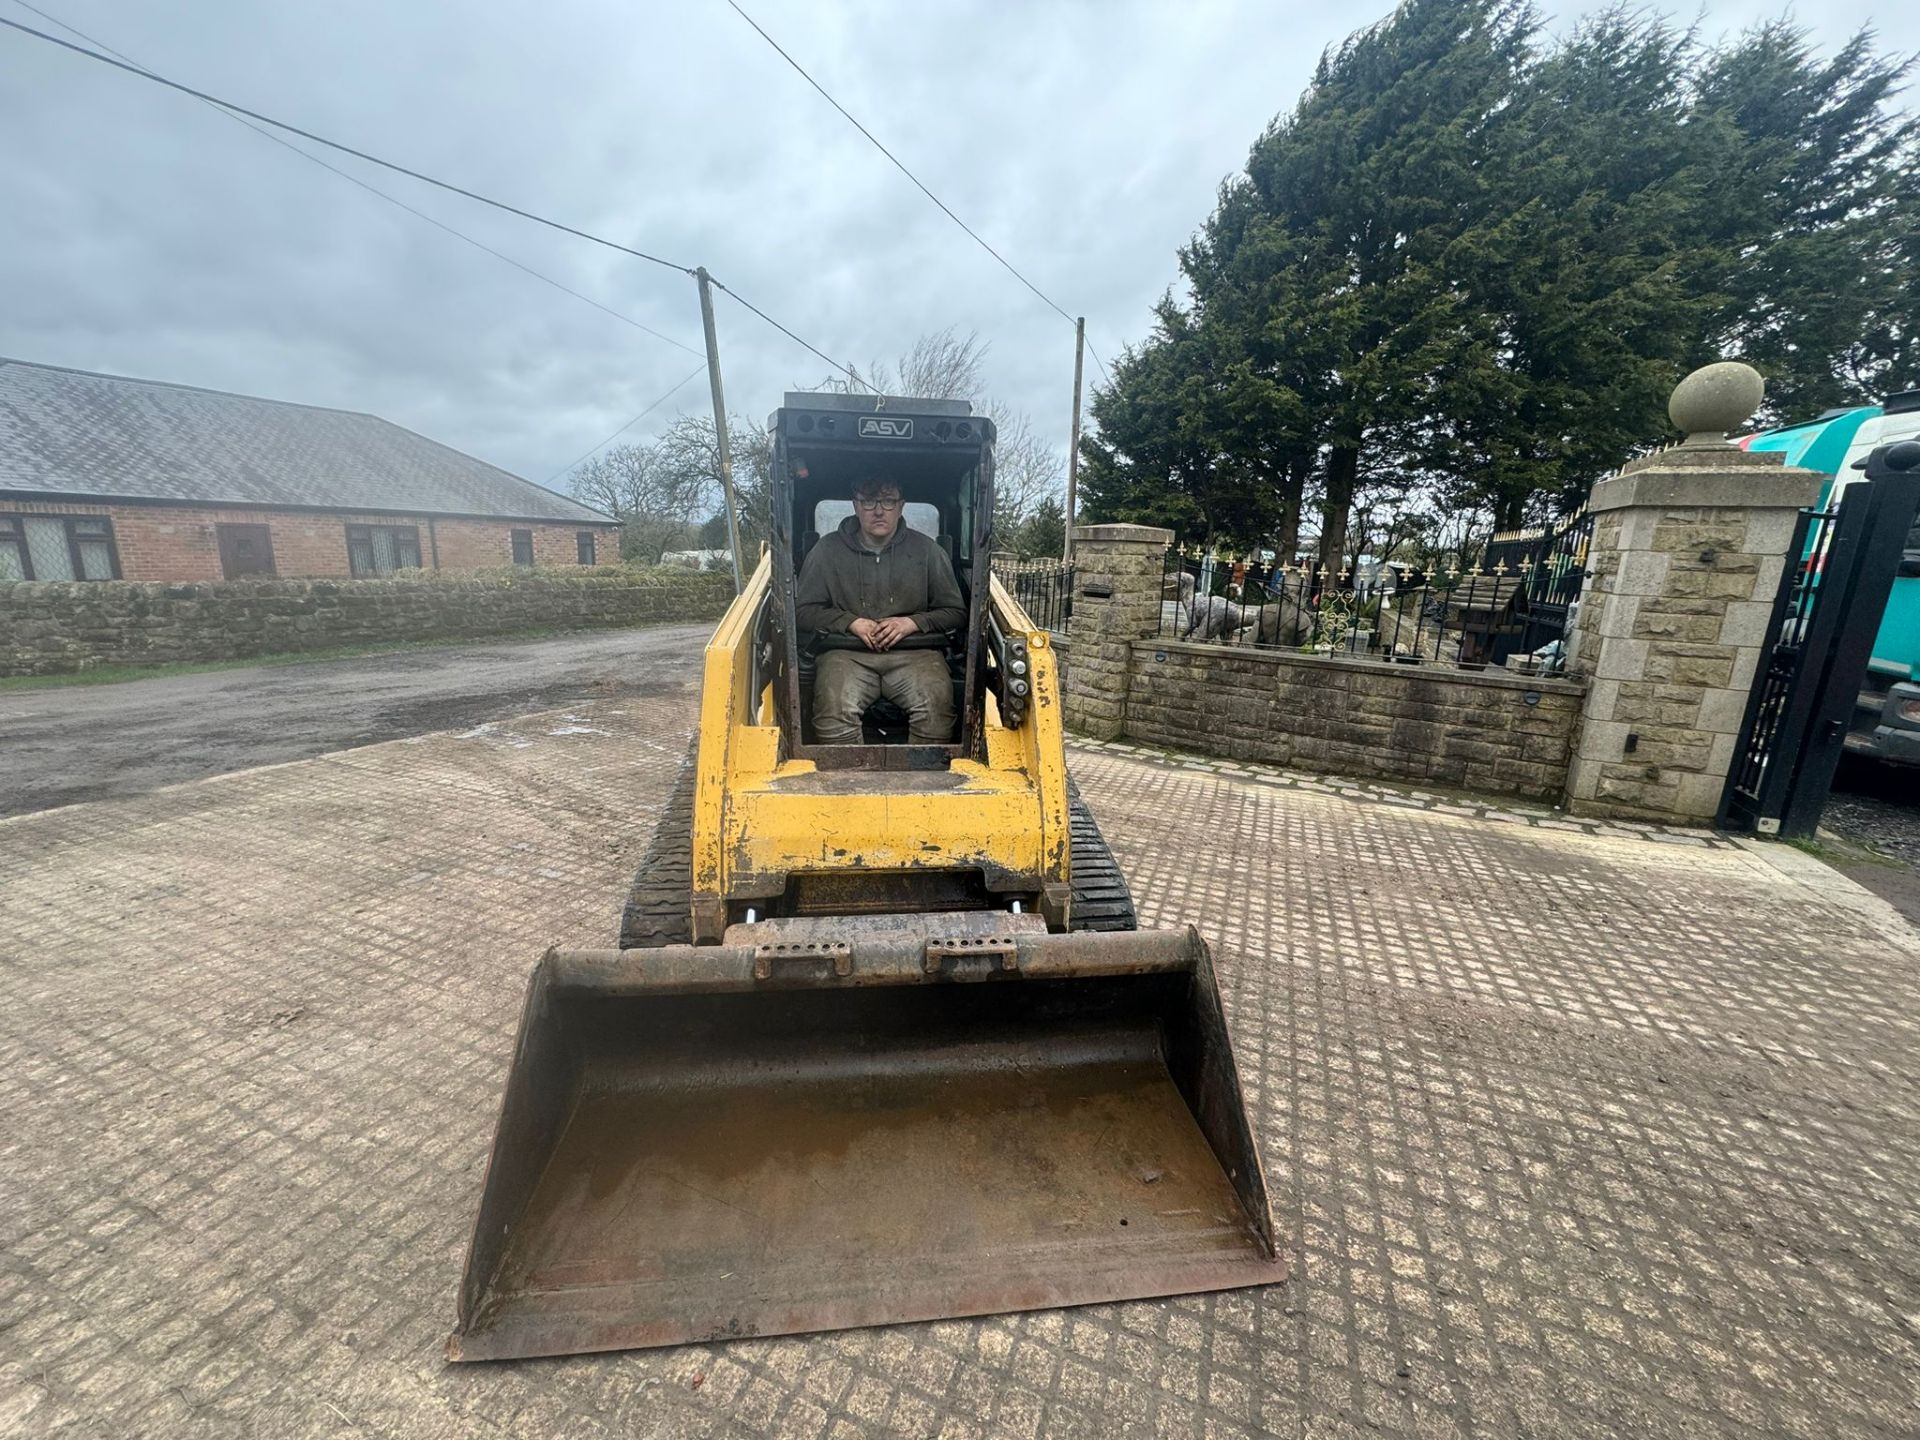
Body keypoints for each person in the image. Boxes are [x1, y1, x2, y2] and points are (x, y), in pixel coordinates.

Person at [795, 480, 966, 743]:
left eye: (888, 501)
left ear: (900, 507)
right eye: (868, 501)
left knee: (935, 706)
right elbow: (804, 612)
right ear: (856, 505)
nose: (878, 510)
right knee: (833, 708)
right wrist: (850, 622)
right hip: (845, 654)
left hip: (916, 655)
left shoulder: (929, 552)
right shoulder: (825, 552)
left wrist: (912, 622)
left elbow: (955, 612)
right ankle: (847, 780)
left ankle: (925, 781)